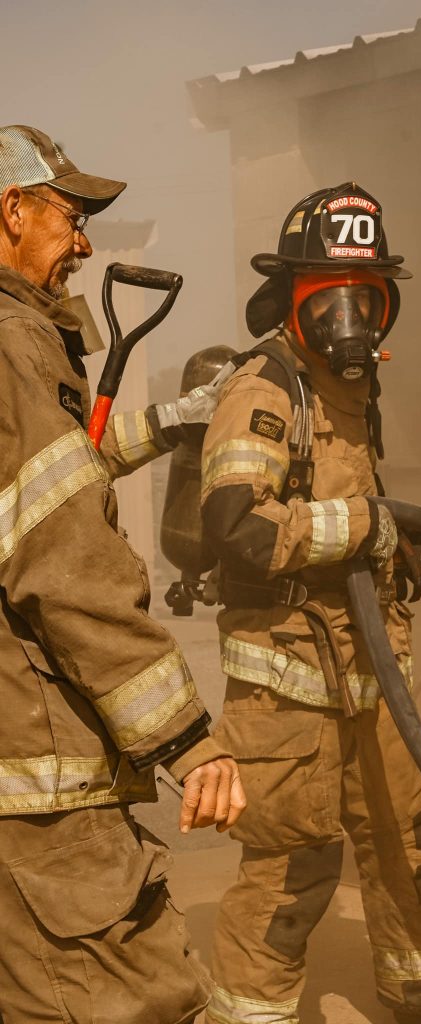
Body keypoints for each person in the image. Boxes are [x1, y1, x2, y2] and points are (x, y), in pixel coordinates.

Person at [200, 183, 421, 1024]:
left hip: (370, 668)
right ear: (294, 299)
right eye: (333, 300)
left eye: (367, 299)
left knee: (411, 835)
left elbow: (347, 515)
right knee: (291, 871)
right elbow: (237, 526)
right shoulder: (265, 389)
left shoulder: (349, 394)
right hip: (287, 684)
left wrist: (402, 544)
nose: (353, 322)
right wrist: (369, 525)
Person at [0, 124, 245, 1024]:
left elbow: (46, 483)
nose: (86, 242)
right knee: (138, 996)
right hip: (36, 776)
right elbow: (64, 561)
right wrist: (183, 737)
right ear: (12, 209)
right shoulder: (13, 346)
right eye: (70, 216)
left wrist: (172, 419)